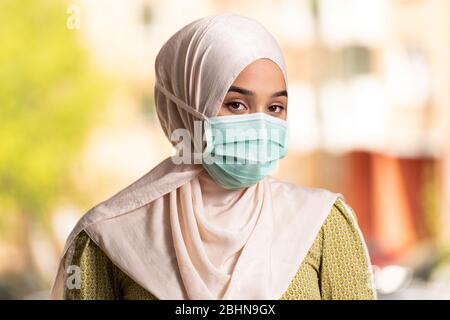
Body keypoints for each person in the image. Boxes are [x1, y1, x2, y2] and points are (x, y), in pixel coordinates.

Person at [50, 13, 377, 300]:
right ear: (184, 105)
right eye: (237, 104)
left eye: (275, 107)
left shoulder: (320, 224)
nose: (261, 124)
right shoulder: (108, 238)